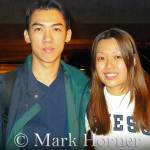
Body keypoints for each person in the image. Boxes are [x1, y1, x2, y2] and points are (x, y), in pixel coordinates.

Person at [0, 0, 89, 149]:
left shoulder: (83, 87)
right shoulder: (5, 87)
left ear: (67, 35)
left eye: (56, 29)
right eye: (39, 29)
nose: (48, 38)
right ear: (27, 36)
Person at [86, 28, 150, 150]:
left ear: (133, 61)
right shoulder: (88, 104)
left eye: (117, 57)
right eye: (101, 58)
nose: (109, 65)